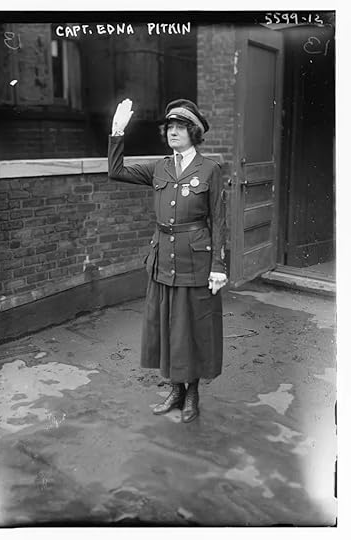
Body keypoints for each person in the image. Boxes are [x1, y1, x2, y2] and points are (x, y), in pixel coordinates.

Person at [108, 98, 228, 423]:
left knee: (193, 328)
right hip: (163, 260)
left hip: (196, 262)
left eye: (179, 128)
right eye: (169, 128)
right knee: (169, 328)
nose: (172, 132)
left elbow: (218, 220)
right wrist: (117, 133)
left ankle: (192, 394)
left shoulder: (210, 169)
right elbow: (116, 171)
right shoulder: (159, 167)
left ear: (193, 132)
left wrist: (219, 265)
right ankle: (175, 389)